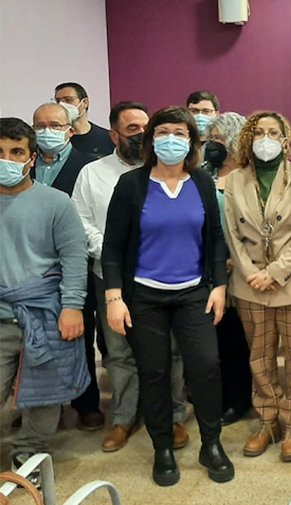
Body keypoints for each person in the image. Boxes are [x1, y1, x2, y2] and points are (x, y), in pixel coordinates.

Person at [102, 107, 233, 486]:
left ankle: (212, 444)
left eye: (180, 132)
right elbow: (113, 246)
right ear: (151, 139)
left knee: (206, 367)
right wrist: (114, 297)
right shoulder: (131, 185)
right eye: (163, 132)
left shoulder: (203, 183)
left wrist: (219, 287)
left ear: (191, 141)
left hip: (194, 293)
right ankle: (162, 448)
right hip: (143, 296)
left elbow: (215, 239)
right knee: (154, 372)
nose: (171, 139)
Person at [71, 101, 191, 451]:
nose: (141, 136)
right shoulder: (92, 173)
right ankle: (124, 417)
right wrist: (112, 252)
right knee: (120, 352)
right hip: (109, 279)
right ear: (114, 134)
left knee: (170, 350)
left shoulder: (167, 171)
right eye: (132, 129)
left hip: (161, 276)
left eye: (145, 128)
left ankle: (173, 416)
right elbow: (81, 221)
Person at [224, 111, 291, 462]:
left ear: (285, 140)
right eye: (259, 132)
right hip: (250, 284)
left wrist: (276, 272)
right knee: (259, 359)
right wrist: (252, 272)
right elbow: (232, 234)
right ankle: (267, 422)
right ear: (249, 138)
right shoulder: (234, 180)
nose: (266, 138)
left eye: (273, 132)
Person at [0, 117, 89, 484]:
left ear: (31, 158)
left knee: (45, 393)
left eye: (16, 152)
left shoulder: (57, 203)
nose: (7, 159)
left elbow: (73, 258)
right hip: (2, 315)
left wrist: (72, 307)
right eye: (0, 152)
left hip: (48, 312)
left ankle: (30, 452)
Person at [32, 102, 103, 430]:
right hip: (32, 267)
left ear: (70, 131)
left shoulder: (88, 166)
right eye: (40, 125)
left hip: (77, 263)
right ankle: (41, 404)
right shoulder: (23, 166)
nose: (47, 132)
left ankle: (86, 403)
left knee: (79, 333)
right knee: (35, 338)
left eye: (55, 126)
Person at [205, 112, 253, 426]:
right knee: (214, 340)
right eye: (210, 138)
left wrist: (240, 256)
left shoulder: (250, 176)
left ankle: (239, 399)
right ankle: (214, 396)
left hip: (242, 269)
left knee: (238, 340)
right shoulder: (200, 174)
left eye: (220, 139)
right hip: (208, 269)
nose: (213, 145)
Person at [54, 82, 114, 158]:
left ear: (85, 102)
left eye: (68, 100)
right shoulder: (54, 139)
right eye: (58, 101)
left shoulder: (107, 138)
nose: (62, 105)